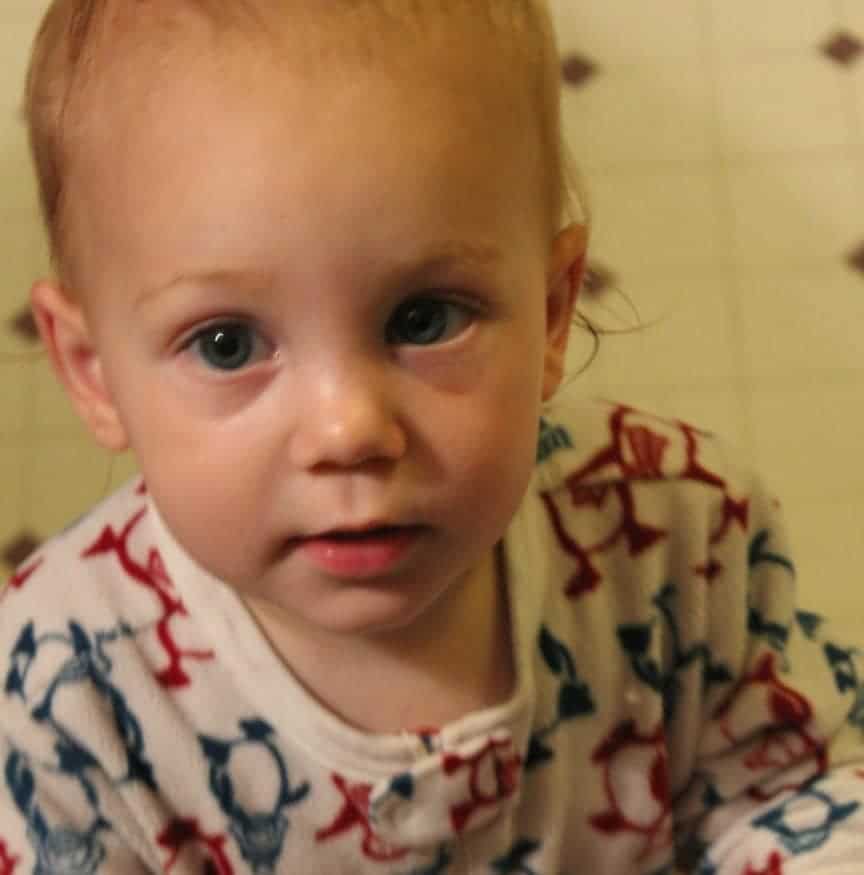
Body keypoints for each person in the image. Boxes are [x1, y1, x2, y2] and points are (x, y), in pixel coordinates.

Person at [2, 1, 863, 872]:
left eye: (425, 317)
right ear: (92, 370)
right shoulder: (54, 697)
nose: (351, 431)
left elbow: (797, 792)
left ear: (554, 309)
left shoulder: (678, 529)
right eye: (228, 343)